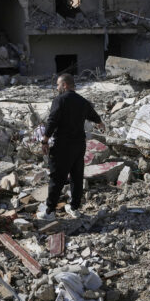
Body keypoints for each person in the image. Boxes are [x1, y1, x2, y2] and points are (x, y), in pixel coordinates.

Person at [38, 73, 104, 221]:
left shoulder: (60, 100)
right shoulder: (82, 101)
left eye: (58, 85)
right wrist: (100, 123)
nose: (56, 88)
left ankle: (49, 212)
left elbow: (52, 120)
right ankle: (74, 208)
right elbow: (94, 115)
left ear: (65, 85)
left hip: (62, 145)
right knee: (76, 177)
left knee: (57, 178)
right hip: (79, 145)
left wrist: (45, 140)